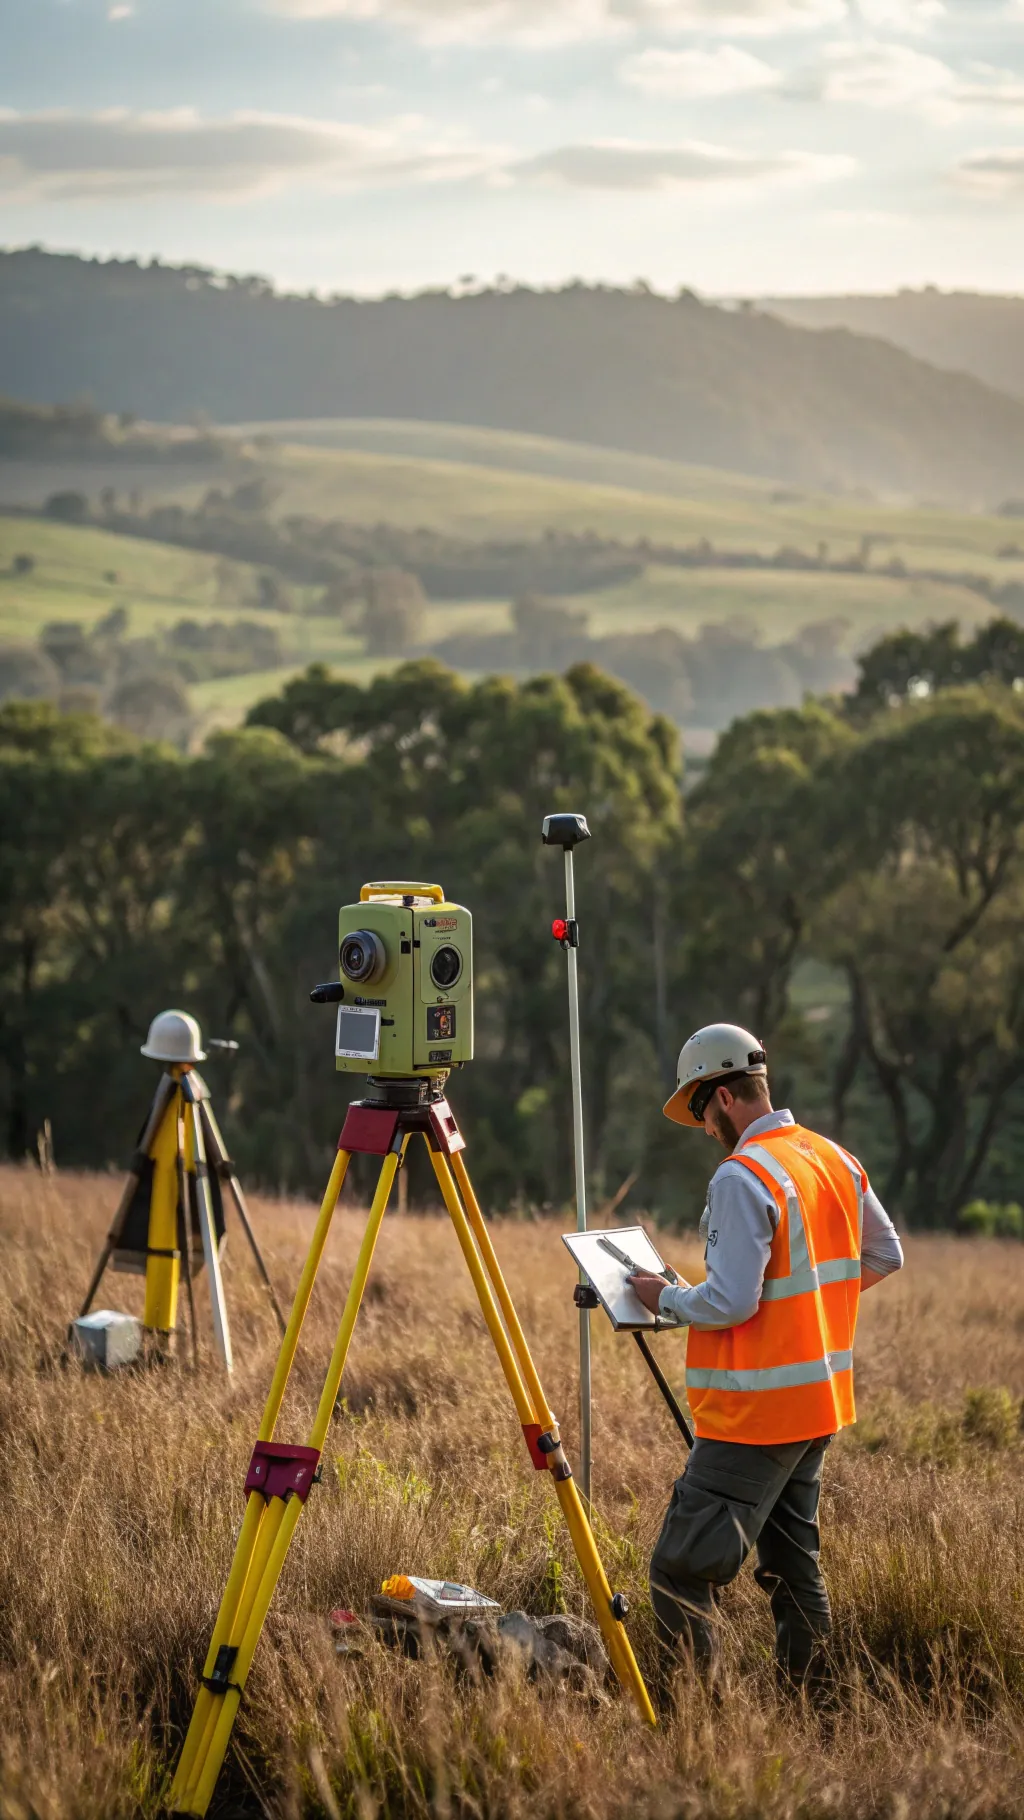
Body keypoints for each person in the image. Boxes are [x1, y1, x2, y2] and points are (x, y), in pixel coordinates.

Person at [627, 1023, 903, 1693]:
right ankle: (812, 1704)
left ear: (724, 1095)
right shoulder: (833, 1157)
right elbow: (884, 1254)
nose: (700, 1126)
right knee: (791, 1566)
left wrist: (665, 1298)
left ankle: (702, 1721)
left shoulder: (742, 1175)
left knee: (681, 1570)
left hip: (757, 1412)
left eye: (698, 1108)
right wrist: (804, 1307)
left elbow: (729, 1302)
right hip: (819, 1404)